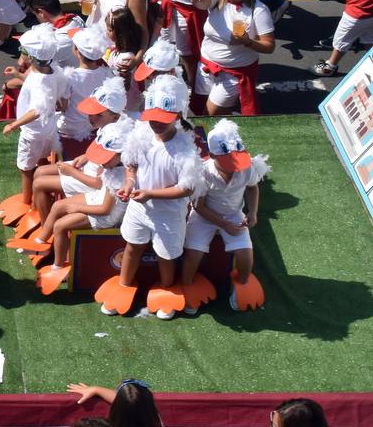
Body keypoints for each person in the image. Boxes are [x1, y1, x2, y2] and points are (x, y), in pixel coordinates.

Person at [103, 75, 199, 319]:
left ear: (177, 115)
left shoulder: (185, 150)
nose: (155, 123)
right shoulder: (141, 133)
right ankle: (123, 286)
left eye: (163, 120)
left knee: (165, 256)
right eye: (152, 118)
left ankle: (167, 289)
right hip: (139, 208)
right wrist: (129, 183)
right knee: (132, 247)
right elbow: (130, 164)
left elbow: (187, 188)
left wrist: (151, 193)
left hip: (168, 215)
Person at [22, 117, 130, 281]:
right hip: (98, 199)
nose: (102, 162)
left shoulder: (118, 176)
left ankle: (58, 267)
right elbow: (101, 191)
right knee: (58, 206)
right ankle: (40, 244)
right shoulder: (112, 165)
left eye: (106, 158)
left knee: (60, 225)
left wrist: (77, 208)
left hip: (105, 215)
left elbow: (104, 210)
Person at [181, 118, 268, 313]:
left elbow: (253, 189)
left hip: (234, 214)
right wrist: (223, 225)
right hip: (203, 217)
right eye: (229, 161)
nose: (235, 166)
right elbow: (199, 206)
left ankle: (242, 284)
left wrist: (253, 213)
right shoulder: (203, 172)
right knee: (193, 254)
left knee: (246, 257)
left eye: (238, 158)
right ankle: (187, 285)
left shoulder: (247, 167)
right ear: (212, 155)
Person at [188, 0, 276, 117]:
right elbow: (205, 0)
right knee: (199, 109)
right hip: (206, 67)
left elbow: (269, 46)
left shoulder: (259, 10)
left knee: (210, 114)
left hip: (233, 74)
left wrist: (248, 42)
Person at [2, 25, 69, 207]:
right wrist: (18, 75)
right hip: (48, 129)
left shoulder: (40, 80)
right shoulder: (53, 70)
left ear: (31, 56)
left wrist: (14, 125)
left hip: (33, 132)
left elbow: (36, 110)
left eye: (21, 51)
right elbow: (61, 101)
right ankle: (40, 196)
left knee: (25, 167)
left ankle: (26, 203)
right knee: (40, 159)